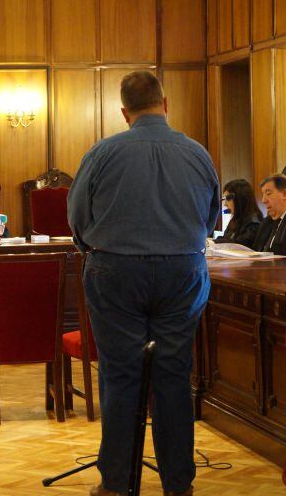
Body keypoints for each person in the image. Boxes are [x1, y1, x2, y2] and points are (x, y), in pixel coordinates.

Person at [67, 71, 220, 496]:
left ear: (124, 112)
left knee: (120, 374)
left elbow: (77, 219)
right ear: (165, 104)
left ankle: (116, 483)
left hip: (115, 271)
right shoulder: (197, 153)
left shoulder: (102, 152)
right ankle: (178, 484)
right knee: (173, 375)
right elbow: (210, 220)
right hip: (182, 272)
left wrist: (99, 248)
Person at [214, 179, 263, 247]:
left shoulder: (253, 223)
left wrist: (213, 242)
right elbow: (226, 239)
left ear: (240, 198)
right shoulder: (235, 220)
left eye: (228, 199)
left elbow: (239, 244)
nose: (225, 204)